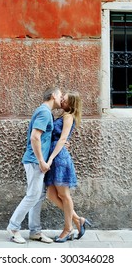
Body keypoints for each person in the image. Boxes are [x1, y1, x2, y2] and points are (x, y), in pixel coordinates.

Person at [7, 86, 63, 244]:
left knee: (38, 196)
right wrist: (41, 161)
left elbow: (43, 138)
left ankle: (35, 231)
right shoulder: (44, 112)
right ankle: (13, 228)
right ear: (53, 95)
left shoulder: (46, 113)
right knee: (32, 195)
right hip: (34, 161)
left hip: (37, 161)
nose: (62, 99)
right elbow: (35, 137)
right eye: (60, 96)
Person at [44, 91, 92, 242]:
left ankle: (68, 228)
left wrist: (51, 158)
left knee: (64, 195)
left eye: (64, 100)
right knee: (51, 195)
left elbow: (63, 137)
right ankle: (78, 220)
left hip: (58, 158)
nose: (61, 101)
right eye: (62, 98)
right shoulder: (62, 115)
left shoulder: (68, 116)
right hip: (54, 155)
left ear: (71, 104)